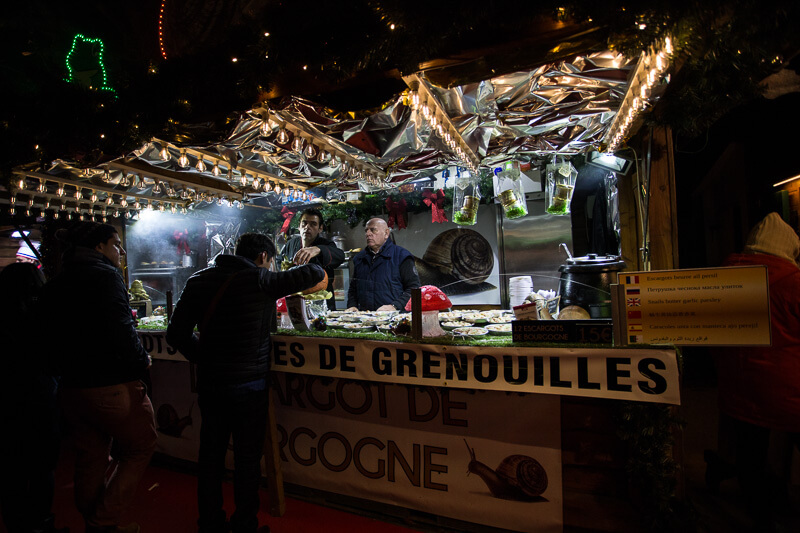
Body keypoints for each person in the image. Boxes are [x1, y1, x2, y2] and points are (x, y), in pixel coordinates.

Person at [166, 232, 325, 533]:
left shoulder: (198, 280)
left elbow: (176, 334)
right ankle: (244, 524)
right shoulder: (260, 279)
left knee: (210, 457)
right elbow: (315, 273)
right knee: (247, 459)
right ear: (264, 257)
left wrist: (203, 357)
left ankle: (210, 523)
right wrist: (312, 254)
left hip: (211, 384)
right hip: (248, 386)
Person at [41, 222, 156, 533]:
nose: (120, 251)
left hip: (71, 387)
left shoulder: (56, 281)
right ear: (99, 247)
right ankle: (103, 522)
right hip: (111, 384)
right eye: (116, 244)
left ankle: (94, 521)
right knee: (141, 444)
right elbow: (122, 329)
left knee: (90, 456)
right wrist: (140, 362)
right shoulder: (105, 276)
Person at [706, 212, 800, 527]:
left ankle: (756, 507)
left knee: (750, 447)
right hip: (786, 388)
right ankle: (779, 500)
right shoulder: (792, 281)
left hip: (737, 383)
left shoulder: (725, 277)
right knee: (782, 449)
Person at [0, 263, 68, 533]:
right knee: (42, 467)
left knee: (11, 471)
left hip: (6, 404)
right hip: (38, 399)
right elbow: (56, 359)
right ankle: (41, 524)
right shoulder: (41, 317)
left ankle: (18, 526)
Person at [346, 217, 420, 312]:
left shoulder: (402, 256)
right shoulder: (360, 258)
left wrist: (395, 306)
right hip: (366, 319)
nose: (368, 234)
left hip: (395, 319)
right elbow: (353, 288)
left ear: (386, 233)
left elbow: (414, 289)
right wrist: (352, 305)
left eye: (373, 230)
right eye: (366, 230)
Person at [280, 208, 345, 310]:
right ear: (299, 226)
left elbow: (340, 256)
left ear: (320, 228)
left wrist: (318, 250)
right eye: (304, 223)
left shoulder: (326, 244)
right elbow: (280, 264)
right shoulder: (290, 244)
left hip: (321, 301)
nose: (307, 227)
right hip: (296, 299)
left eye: (313, 224)